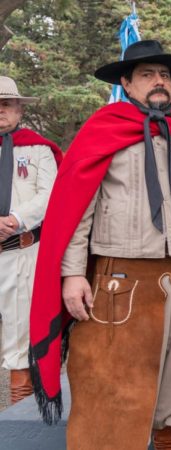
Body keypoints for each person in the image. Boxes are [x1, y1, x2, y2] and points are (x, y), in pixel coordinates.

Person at [28, 40, 171, 450]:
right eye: (146, 74)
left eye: (164, 75)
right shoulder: (103, 130)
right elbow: (76, 210)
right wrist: (71, 275)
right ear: (126, 82)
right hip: (119, 283)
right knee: (111, 390)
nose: (158, 82)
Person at [0, 76, 60, 404]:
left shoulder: (38, 149)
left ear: (20, 109)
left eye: (6, 104)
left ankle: (18, 414)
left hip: (21, 253)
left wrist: (15, 220)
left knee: (19, 334)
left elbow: (50, 195)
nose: (0, 110)